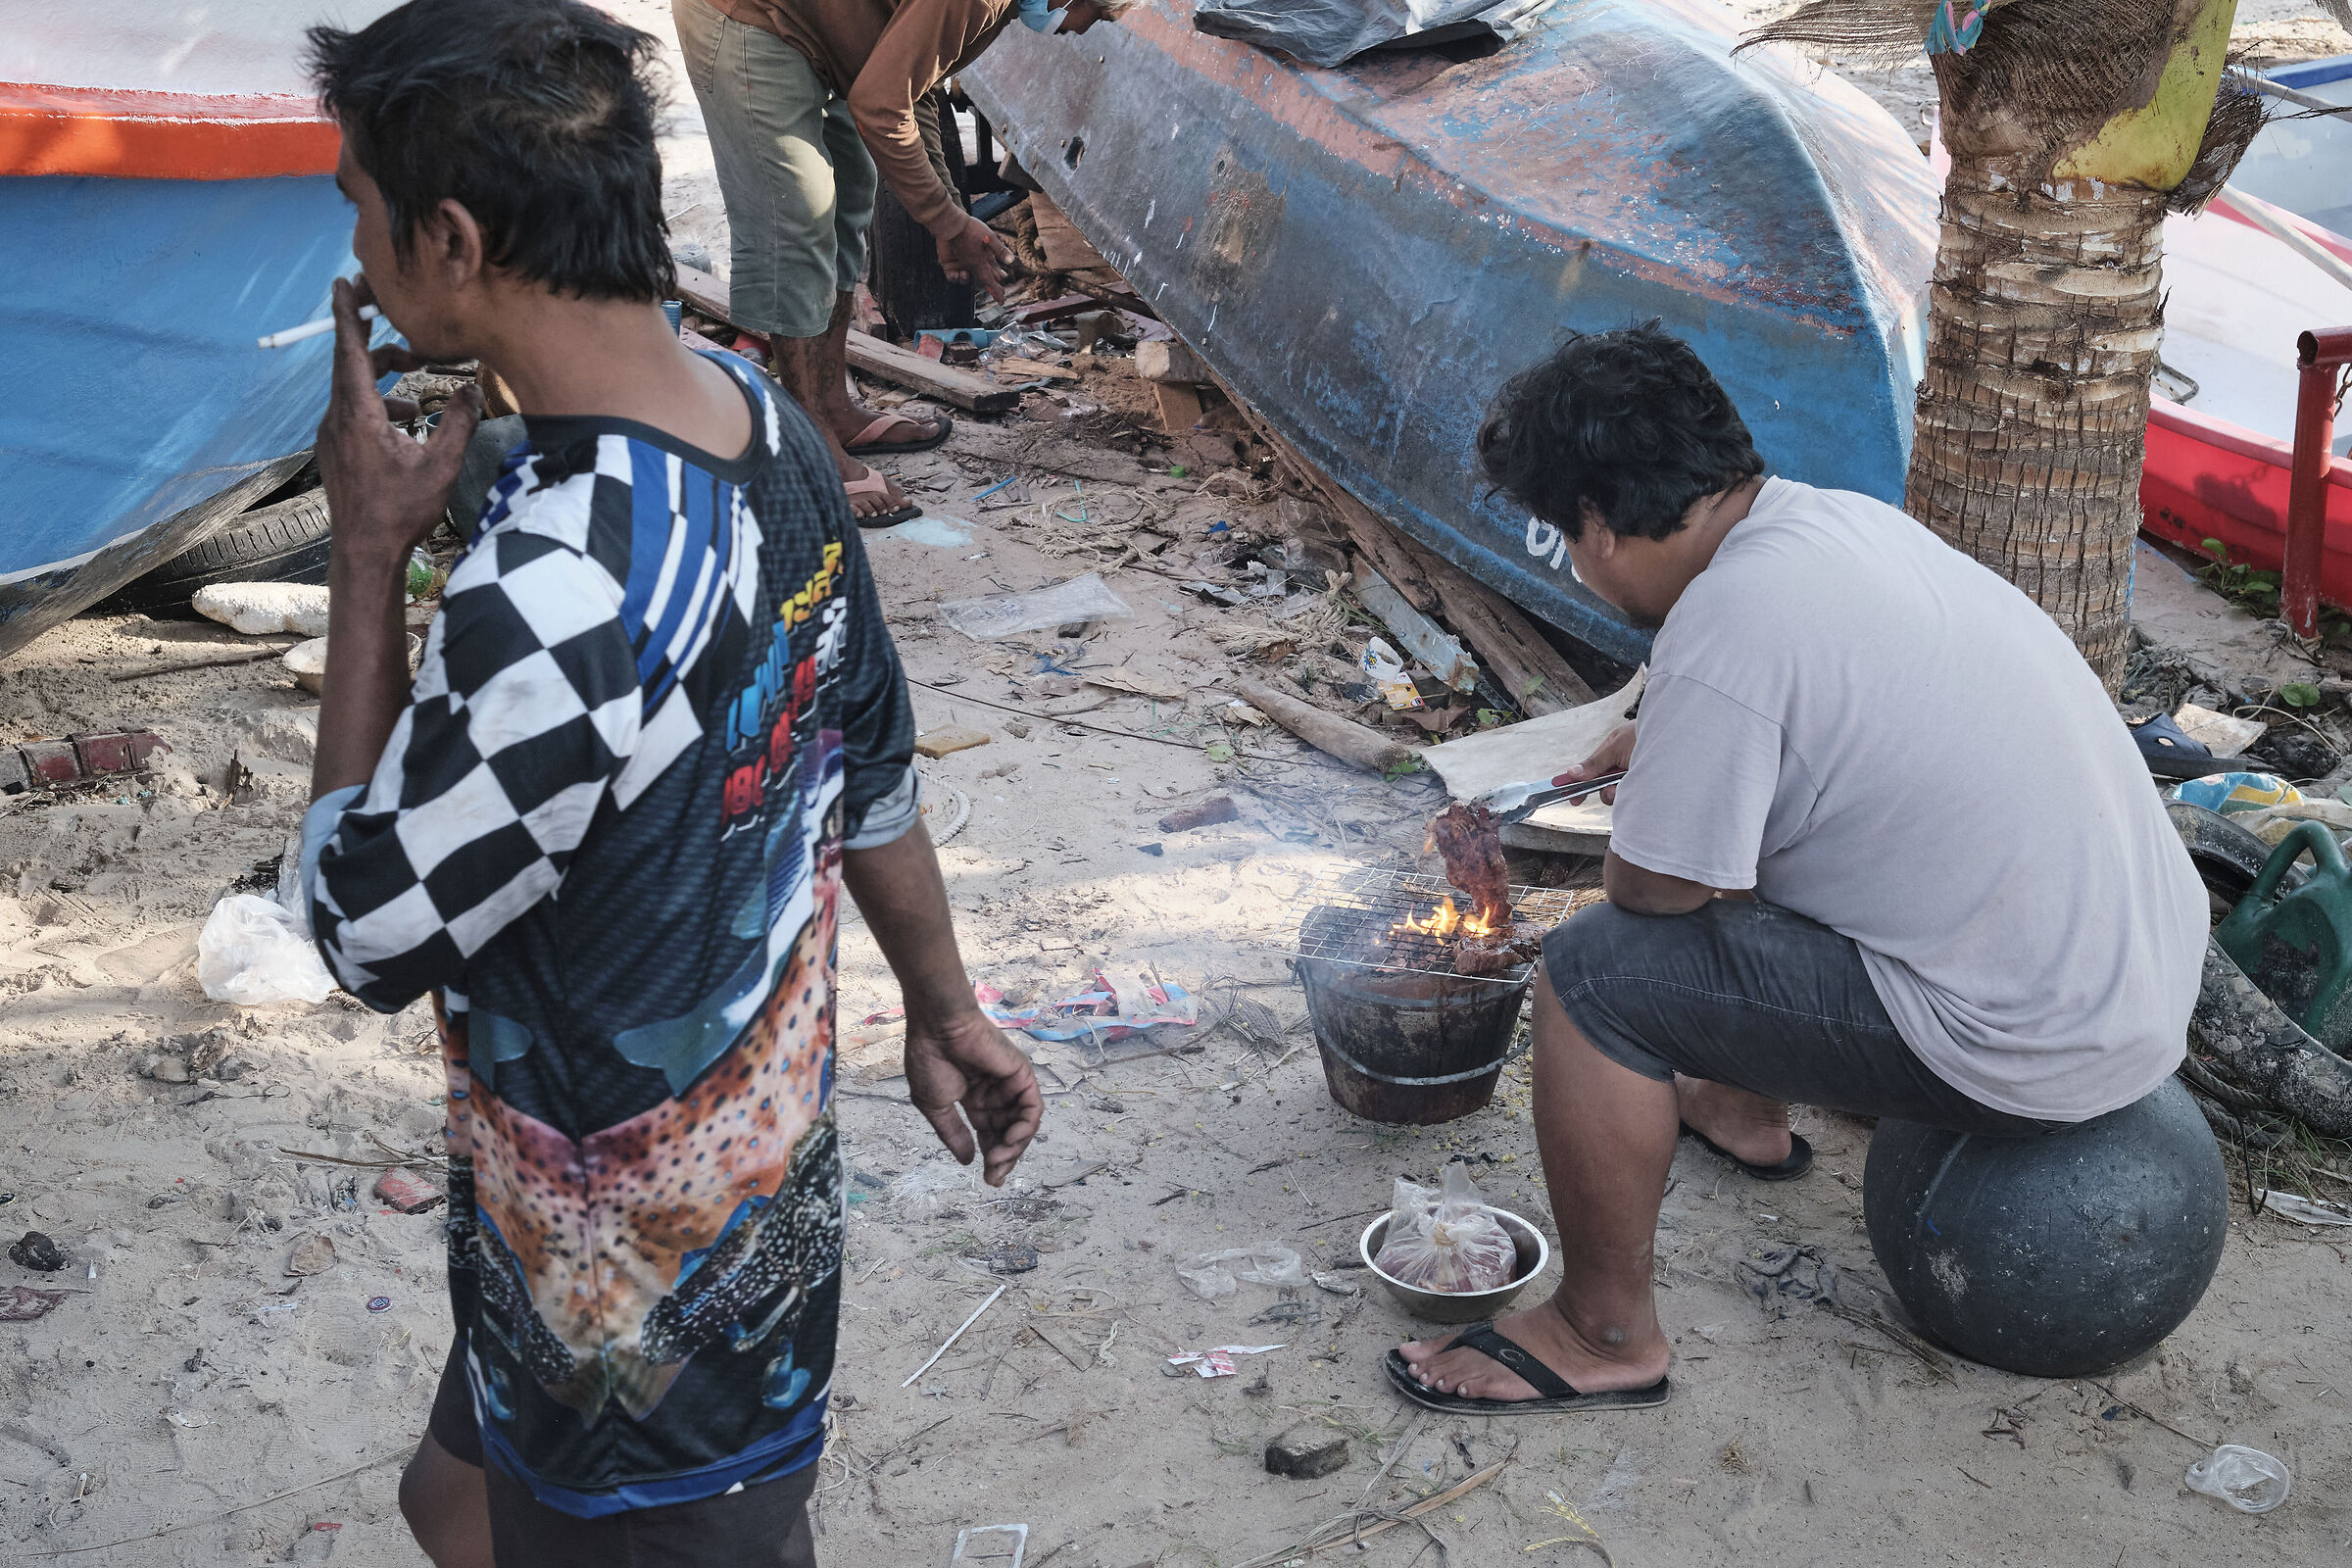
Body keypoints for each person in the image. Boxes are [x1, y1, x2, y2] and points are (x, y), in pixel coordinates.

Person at [296, 4, 1042, 1561]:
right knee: (452, 1505)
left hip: (627, 1276)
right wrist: (948, 1002)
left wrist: (367, 559)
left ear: (450, 237)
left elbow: (365, 928)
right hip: (711, 1190)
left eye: (359, 208)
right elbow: (874, 758)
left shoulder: (568, 581)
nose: (353, 255)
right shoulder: (759, 416)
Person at [1390, 324, 2205, 1414]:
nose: (1579, 565)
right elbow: (1841, 741)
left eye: (1566, 535)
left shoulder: (1732, 623)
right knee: (1776, 819)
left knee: (1593, 976)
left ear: (1594, 519)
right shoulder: (1833, 526)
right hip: (2137, 984)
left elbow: (1653, 895)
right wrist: (1682, 741)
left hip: (2035, 1042)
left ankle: (1601, 1332)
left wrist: (1688, 763)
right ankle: (1741, 1110)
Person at [673, 0, 1132, 525]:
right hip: (751, 20)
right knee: (795, 219)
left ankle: (833, 409)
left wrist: (947, 214)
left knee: (847, 202)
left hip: (825, 34)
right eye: (1096, 14)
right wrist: (947, 221)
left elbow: (916, 92)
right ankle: (808, 441)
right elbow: (880, 106)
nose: (1083, 30)